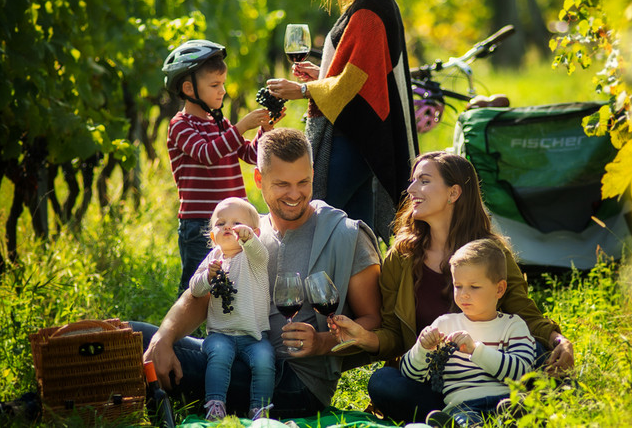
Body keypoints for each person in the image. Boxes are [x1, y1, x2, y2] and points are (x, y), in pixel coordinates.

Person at [137, 127, 382, 419]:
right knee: (140, 337)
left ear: (313, 174)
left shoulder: (344, 235)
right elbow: (198, 297)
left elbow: (373, 321)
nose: (295, 194)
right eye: (282, 184)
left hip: (294, 382)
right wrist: (163, 339)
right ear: (259, 179)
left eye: (303, 182)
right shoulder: (248, 234)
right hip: (235, 352)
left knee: (137, 346)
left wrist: (320, 343)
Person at [332, 151, 575, 423]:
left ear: (454, 193)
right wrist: (366, 338)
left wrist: (559, 340)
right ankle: (465, 415)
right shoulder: (401, 257)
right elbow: (394, 334)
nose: (411, 189)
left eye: (423, 181)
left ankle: (496, 410)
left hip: (498, 373)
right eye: (413, 181)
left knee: (542, 355)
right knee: (383, 382)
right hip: (440, 383)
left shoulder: (491, 253)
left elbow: (525, 315)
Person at [266, 0, 418, 240]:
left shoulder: (367, 14)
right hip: (366, 139)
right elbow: (362, 77)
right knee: (358, 233)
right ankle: (358, 291)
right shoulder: (379, 5)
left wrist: (304, 90)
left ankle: (307, 288)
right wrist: (322, 77)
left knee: (316, 218)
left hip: (353, 137)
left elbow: (352, 83)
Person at [163, 39, 273, 294]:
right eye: (214, 85)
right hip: (201, 223)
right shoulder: (180, 125)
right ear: (189, 89)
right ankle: (184, 333)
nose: (222, 91)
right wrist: (242, 126)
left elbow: (251, 154)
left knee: (234, 282)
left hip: (233, 221)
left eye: (222, 84)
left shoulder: (220, 124)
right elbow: (206, 154)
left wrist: (264, 130)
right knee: (196, 287)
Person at [401, 239, 537, 428]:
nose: (464, 294)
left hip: (505, 400)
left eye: (474, 287)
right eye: (458, 286)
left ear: (499, 289)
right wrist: (422, 348)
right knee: (465, 420)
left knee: (514, 410)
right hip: (462, 405)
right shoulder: (445, 324)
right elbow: (412, 375)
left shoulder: (512, 325)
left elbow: (522, 372)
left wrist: (476, 350)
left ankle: (511, 420)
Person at [188, 197, 274, 421]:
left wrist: (249, 239)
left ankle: (260, 409)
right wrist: (208, 276)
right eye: (220, 223)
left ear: (254, 231)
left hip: (254, 336)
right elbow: (195, 289)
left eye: (237, 223)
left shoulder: (252, 258)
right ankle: (215, 405)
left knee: (265, 359)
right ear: (212, 235)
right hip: (221, 334)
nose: (228, 226)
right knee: (219, 356)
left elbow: (260, 252)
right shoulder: (213, 259)